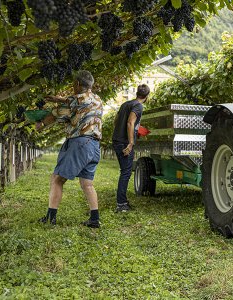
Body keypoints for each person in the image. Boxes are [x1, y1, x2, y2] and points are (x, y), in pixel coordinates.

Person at [38, 70, 103, 228]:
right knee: (87, 183)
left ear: (78, 84)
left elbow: (56, 114)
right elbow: (75, 101)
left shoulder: (74, 101)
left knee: (57, 179)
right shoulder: (97, 99)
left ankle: (50, 218)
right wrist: (58, 98)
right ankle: (94, 219)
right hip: (94, 146)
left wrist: (41, 124)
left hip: (79, 144)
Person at [111, 84, 150, 212]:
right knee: (126, 172)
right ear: (147, 96)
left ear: (137, 93)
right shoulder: (138, 106)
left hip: (117, 140)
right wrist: (131, 142)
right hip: (125, 143)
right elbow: (130, 122)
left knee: (124, 171)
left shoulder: (125, 104)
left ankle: (122, 200)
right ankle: (121, 204)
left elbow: (116, 121)